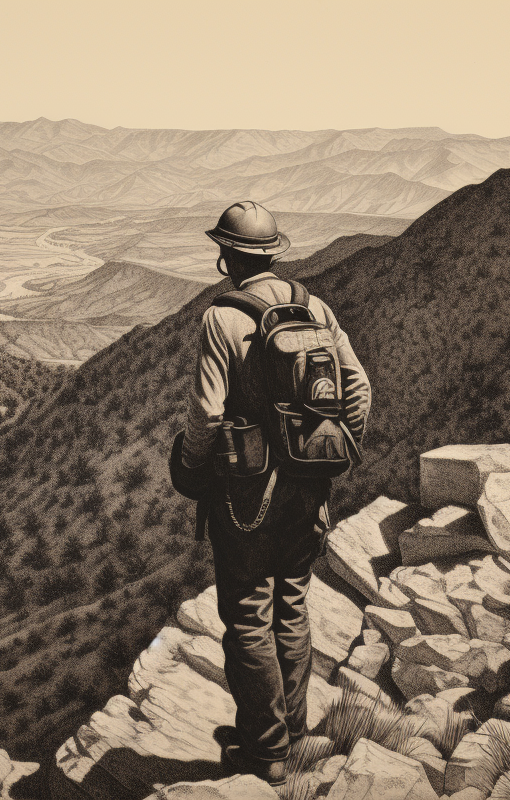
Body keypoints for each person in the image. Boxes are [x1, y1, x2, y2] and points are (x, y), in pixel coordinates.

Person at [170, 201, 371, 786]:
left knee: (249, 613)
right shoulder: (315, 308)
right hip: (310, 486)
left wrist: (191, 467)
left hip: (246, 491)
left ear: (227, 255)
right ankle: (293, 732)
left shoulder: (223, 317)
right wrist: (335, 453)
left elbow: (208, 415)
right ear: (274, 253)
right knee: (292, 603)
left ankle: (264, 751)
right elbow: (358, 387)